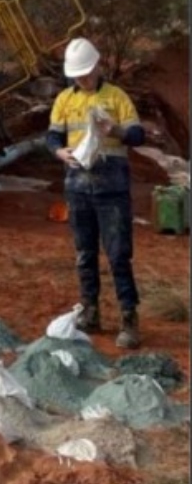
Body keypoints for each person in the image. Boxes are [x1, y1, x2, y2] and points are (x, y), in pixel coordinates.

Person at [46, 37, 147, 349]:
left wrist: (115, 131)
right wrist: (59, 152)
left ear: (98, 66)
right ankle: (91, 311)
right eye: (77, 75)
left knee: (118, 255)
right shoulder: (64, 99)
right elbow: (52, 136)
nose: (83, 79)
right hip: (78, 186)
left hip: (111, 188)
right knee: (84, 254)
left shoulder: (116, 97)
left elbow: (138, 135)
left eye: (86, 73)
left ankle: (129, 318)